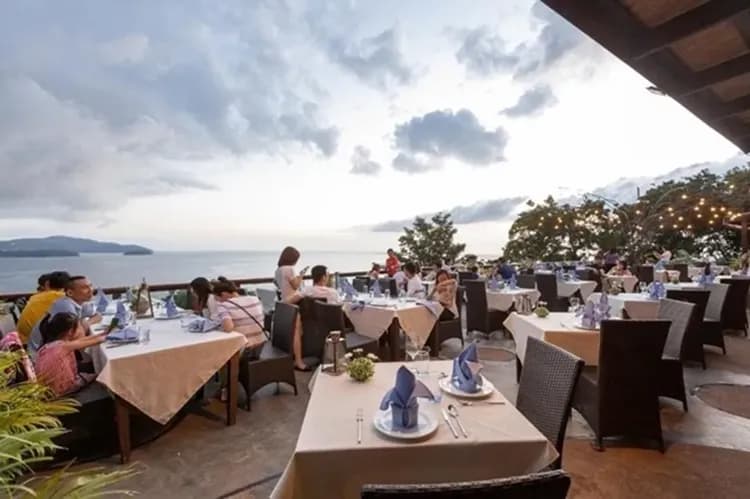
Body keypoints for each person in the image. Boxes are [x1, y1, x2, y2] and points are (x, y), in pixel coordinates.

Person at [34, 313, 106, 397]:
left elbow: (82, 341)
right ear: (71, 331)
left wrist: (103, 333)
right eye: (79, 327)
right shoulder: (63, 346)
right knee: (100, 374)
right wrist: (107, 336)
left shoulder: (51, 345)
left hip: (49, 390)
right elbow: (95, 341)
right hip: (62, 392)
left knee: (94, 368)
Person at [28, 275, 101, 355]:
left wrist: (87, 323)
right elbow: (78, 340)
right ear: (70, 293)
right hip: (42, 354)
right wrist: (83, 325)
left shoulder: (79, 302)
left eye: (91, 286)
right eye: (85, 288)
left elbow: (98, 315)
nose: (91, 290)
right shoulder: (65, 307)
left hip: (56, 348)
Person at [213, 279, 266, 352]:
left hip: (243, 348)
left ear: (223, 294)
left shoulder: (224, 305)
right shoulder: (255, 299)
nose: (218, 301)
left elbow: (228, 328)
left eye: (217, 298)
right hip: (261, 344)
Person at [17, 271, 70, 344]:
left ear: (48, 284)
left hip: (23, 339)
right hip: (39, 343)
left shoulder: (35, 297)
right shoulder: (64, 298)